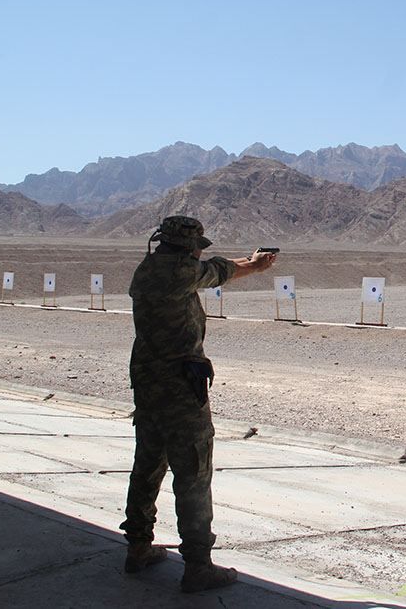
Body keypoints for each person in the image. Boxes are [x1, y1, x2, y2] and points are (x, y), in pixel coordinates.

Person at [120, 215, 276, 593]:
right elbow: (216, 272)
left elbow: (211, 269)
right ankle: (198, 565)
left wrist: (248, 261)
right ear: (189, 247)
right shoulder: (181, 272)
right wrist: (254, 267)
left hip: (148, 383)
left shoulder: (148, 268)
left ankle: (138, 546)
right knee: (193, 473)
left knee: (147, 466)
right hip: (179, 387)